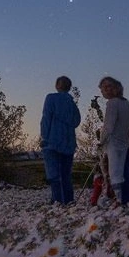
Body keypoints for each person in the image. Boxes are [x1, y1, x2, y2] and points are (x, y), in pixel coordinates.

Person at [40, 76, 82, 205]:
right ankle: (68, 200)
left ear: (57, 85)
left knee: (54, 173)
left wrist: (44, 137)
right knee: (65, 173)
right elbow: (76, 121)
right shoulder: (71, 103)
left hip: (52, 142)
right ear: (69, 87)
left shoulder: (51, 98)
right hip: (68, 143)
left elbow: (46, 119)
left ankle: (57, 200)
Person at [98, 76, 129, 207]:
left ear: (117, 88)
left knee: (114, 173)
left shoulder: (112, 103)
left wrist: (101, 142)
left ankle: (118, 201)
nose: (105, 90)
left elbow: (109, 126)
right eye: (103, 88)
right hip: (124, 142)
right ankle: (126, 200)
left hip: (113, 144)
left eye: (108, 86)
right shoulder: (125, 102)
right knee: (125, 173)